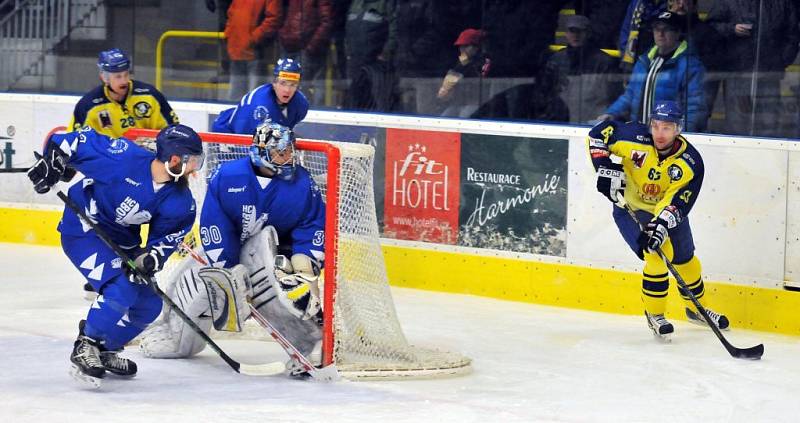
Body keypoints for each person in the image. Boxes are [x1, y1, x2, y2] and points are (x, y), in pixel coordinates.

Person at [139, 123, 326, 378]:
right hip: (229, 250)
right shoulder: (228, 176)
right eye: (279, 152)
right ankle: (176, 335)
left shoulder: (302, 184)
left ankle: (307, 348)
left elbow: (312, 223)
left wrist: (305, 261)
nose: (288, 157)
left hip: (277, 255)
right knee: (197, 286)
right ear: (261, 152)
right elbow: (216, 222)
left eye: (289, 151)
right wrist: (227, 269)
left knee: (290, 288)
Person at [25, 124, 205, 387]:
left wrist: (151, 257)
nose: (195, 169)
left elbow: (167, 238)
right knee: (120, 289)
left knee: (149, 304)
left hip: (122, 239)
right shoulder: (125, 158)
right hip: (84, 229)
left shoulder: (179, 199)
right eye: (193, 161)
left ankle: (105, 349)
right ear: (174, 158)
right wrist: (53, 163)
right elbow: (71, 141)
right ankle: (86, 344)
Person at [587, 100, 728, 340]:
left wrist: (661, 224)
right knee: (655, 256)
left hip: (669, 213)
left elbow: (678, 202)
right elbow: (598, 134)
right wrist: (605, 168)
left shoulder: (690, 163)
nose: (659, 134)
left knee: (686, 260)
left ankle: (697, 309)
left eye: (667, 128)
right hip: (631, 209)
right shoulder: (633, 137)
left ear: (678, 129)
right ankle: (655, 315)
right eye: (656, 126)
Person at [598, 12, 708, 132]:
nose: (660, 34)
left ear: (678, 33)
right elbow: (630, 95)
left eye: (666, 29)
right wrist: (611, 113)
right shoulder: (644, 61)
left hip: (667, 138)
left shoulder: (690, 65)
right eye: (657, 29)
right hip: (640, 134)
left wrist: (683, 133)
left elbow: (695, 106)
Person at [69, 48, 179, 138]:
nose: (124, 81)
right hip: (109, 162)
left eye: (126, 74)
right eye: (118, 77)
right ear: (104, 78)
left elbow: (173, 130)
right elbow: (74, 140)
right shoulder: (88, 105)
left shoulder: (149, 96)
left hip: (145, 159)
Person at [545, 15, 621, 123]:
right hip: (562, 123)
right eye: (572, 31)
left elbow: (613, 97)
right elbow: (547, 95)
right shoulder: (556, 60)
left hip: (594, 123)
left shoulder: (605, 62)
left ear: (588, 33)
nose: (576, 35)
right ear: (566, 34)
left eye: (580, 31)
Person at [211, 58, 309, 135]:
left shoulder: (301, 104)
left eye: (293, 84)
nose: (287, 90)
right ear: (274, 83)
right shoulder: (257, 104)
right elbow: (243, 140)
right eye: (283, 83)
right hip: (229, 134)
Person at [224, 0, 283, 101]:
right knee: (235, 97)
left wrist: (254, 39)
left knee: (254, 98)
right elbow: (231, 14)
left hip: (254, 52)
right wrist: (229, 35)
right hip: (237, 50)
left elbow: (274, 18)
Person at [436, 28, 491, 118]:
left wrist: (466, 67)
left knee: (464, 116)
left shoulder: (485, 61)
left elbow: (482, 76)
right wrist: (445, 88)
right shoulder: (461, 61)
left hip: (476, 103)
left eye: (466, 46)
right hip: (459, 103)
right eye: (460, 46)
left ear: (476, 47)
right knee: (445, 117)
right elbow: (452, 75)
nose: (462, 49)